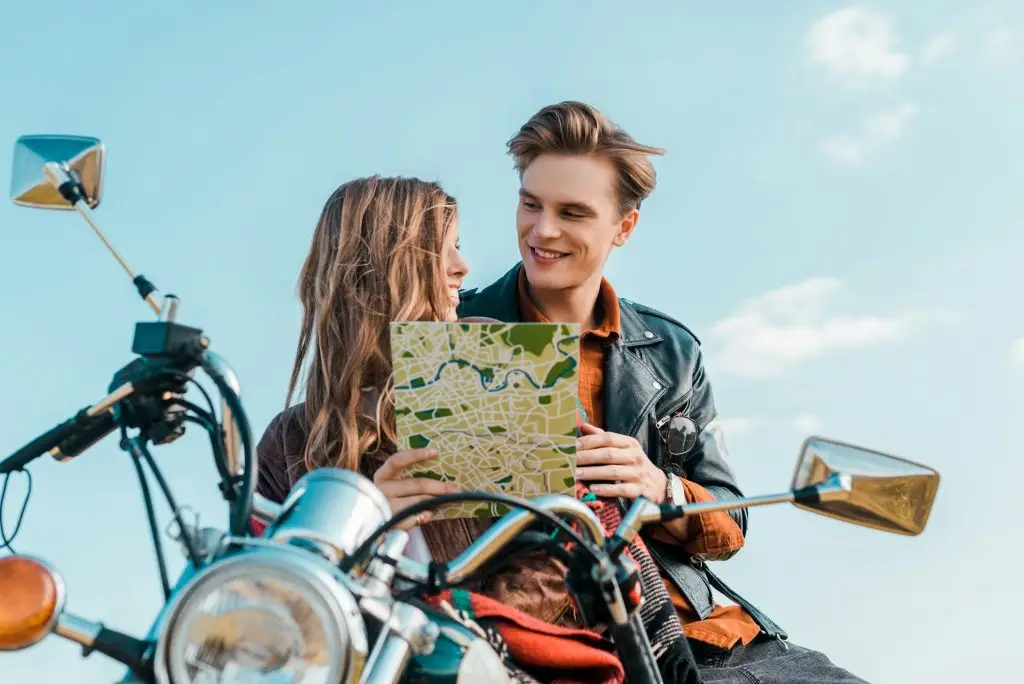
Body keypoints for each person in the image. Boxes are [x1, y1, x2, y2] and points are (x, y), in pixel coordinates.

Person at [457, 101, 867, 683]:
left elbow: (733, 523)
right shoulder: (455, 331)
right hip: (529, 639)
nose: (542, 230)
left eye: (572, 212)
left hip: (697, 635)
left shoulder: (674, 351)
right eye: (531, 204)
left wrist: (657, 485)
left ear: (624, 228)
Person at [253, 175, 701, 684]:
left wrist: (454, 619)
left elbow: (580, 534)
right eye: (439, 250)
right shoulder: (291, 442)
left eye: (459, 247)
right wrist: (371, 528)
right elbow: (275, 612)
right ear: (382, 268)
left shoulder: (485, 366)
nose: (462, 267)